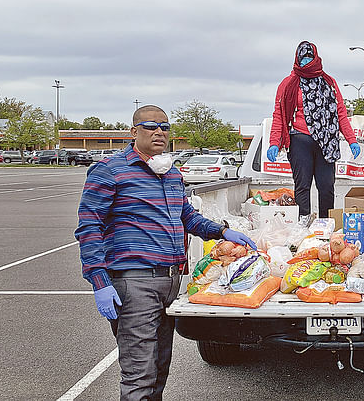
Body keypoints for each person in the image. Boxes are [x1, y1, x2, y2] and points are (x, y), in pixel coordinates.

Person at [75, 105, 255, 400]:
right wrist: (99, 281)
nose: (159, 132)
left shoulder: (170, 172)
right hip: (135, 283)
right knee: (139, 374)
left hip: (170, 282)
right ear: (134, 132)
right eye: (150, 126)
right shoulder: (110, 171)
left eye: (165, 127)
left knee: (159, 369)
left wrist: (221, 231)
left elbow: (186, 216)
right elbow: (89, 227)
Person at [266, 40, 361, 218]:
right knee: (302, 187)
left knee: (326, 187)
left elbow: (341, 113)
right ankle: (303, 226)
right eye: (303, 58)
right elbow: (278, 115)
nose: (306, 61)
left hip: (327, 142)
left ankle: (326, 224)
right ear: (297, 59)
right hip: (299, 140)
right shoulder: (288, 84)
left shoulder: (329, 82)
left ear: (316, 57)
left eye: (310, 57)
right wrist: (274, 143)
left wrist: (352, 139)